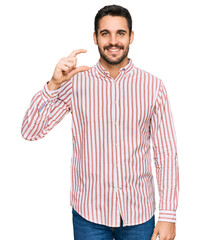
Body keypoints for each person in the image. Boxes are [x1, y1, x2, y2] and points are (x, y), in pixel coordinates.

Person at [21, 4, 179, 240]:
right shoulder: (76, 83)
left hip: (139, 214)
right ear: (95, 38)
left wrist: (168, 215)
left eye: (120, 33)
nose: (113, 41)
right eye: (105, 33)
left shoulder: (153, 87)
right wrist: (53, 85)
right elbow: (30, 131)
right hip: (89, 216)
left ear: (131, 37)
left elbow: (166, 154)